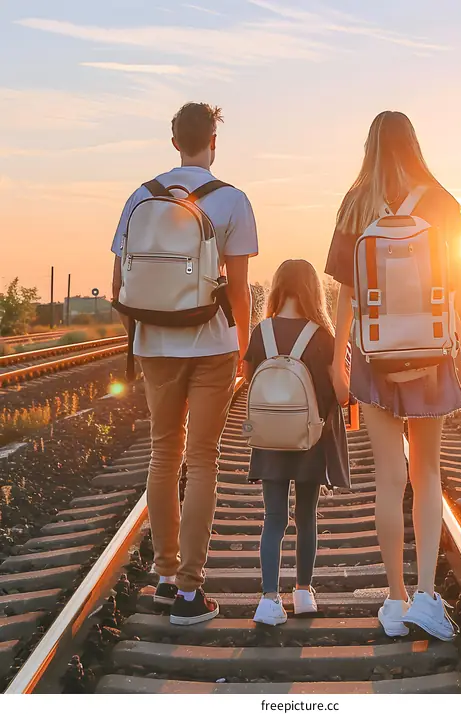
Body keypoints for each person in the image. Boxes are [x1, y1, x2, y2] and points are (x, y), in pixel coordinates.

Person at [325, 111, 461, 641]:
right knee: (427, 475)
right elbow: (460, 285)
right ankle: (424, 594)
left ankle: (394, 600)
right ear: (414, 145)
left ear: (369, 147)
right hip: (430, 354)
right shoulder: (440, 202)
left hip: (374, 355)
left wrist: (339, 355)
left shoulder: (356, 205)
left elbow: (345, 291)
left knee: (388, 479)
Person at [110, 102, 258, 626]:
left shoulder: (139, 198)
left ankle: (167, 577)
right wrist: (242, 349)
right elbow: (238, 290)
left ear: (174, 140)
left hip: (154, 344)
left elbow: (118, 285)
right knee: (204, 459)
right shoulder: (232, 201)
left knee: (163, 452)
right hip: (212, 342)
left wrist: (147, 332)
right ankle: (193, 592)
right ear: (213, 140)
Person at [243, 260, 350, 626]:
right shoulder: (322, 336)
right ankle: (303, 592)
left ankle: (269, 599)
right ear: (312, 291)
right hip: (310, 441)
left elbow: (247, 379)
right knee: (306, 517)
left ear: (277, 289)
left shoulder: (261, 332)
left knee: (273, 519)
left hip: (270, 440)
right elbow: (343, 394)